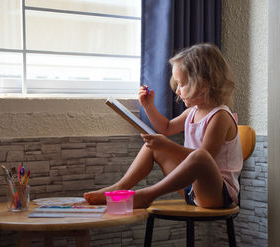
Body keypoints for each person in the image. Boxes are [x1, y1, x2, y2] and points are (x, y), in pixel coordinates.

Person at [84, 43, 243, 209]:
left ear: (203, 85)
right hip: (192, 189)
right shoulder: (192, 112)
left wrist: (168, 146)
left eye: (181, 84)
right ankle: (120, 188)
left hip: (217, 194)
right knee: (153, 146)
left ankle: (148, 194)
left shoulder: (220, 117)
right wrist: (148, 106)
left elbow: (205, 159)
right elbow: (166, 128)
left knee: (200, 157)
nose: (178, 91)